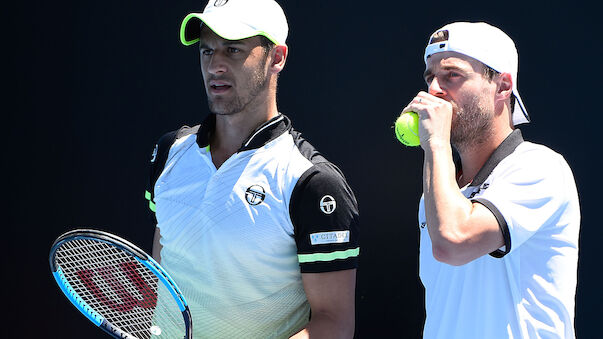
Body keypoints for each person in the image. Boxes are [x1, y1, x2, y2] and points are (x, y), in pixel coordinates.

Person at [144, 0, 359, 338]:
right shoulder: (169, 153)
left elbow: (334, 322)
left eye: (232, 50)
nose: (215, 65)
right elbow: (165, 260)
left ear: (277, 57)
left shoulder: (313, 183)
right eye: (206, 50)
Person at [401, 22, 580, 338]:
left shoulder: (541, 167)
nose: (433, 91)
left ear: (503, 86)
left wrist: (436, 143)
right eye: (430, 77)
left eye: (452, 75)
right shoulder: (438, 191)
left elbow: (453, 240)